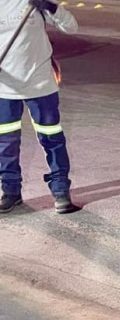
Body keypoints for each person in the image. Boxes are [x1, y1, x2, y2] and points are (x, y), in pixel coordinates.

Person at [0, 0, 79, 214]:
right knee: (5, 143)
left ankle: (61, 191)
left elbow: (71, 26)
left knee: (52, 139)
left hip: (41, 85)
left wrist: (50, 7)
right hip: (5, 89)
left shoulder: (36, 3)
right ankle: (11, 191)